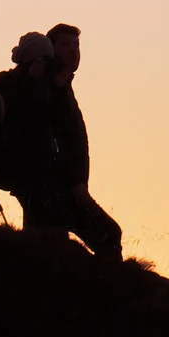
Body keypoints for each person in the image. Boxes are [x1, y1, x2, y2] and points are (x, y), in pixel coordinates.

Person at [44, 24, 124, 262]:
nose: (73, 51)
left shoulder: (62, 87)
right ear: (51, 49)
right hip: (57, 188)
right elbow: (51, 141)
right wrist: (74, 183)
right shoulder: (48, 90)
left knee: (52, 248)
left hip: (66, 187)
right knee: (109, 234)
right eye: (65, 44)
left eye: (76, 45)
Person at [0, 31, 67, 231]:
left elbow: (52, 115)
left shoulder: (46, 84)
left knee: (45, 217)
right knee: (36, 214)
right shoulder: (7, 80)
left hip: (43, 162)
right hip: (19, 160)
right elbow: (9, 113)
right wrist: (30, 80)